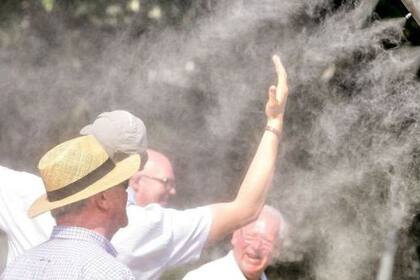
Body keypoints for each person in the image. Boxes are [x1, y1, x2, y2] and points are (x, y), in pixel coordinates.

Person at [0, 54, 289, 279]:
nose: (129, 193)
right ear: (102, 195)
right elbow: (246, 208)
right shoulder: (123, 256)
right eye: (124, 183)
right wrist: (274, 124)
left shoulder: (17, 261)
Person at [1, 135, 141, 279]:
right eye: (124, 185)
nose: (127, 195)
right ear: (102, 198)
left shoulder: (16, 268)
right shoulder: (109, 273)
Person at [183, 205, 287, 280]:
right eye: (250, 236)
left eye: (266, 241)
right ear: (234, 236)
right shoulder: (203, 277)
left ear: (277, 250)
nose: (256, 247)